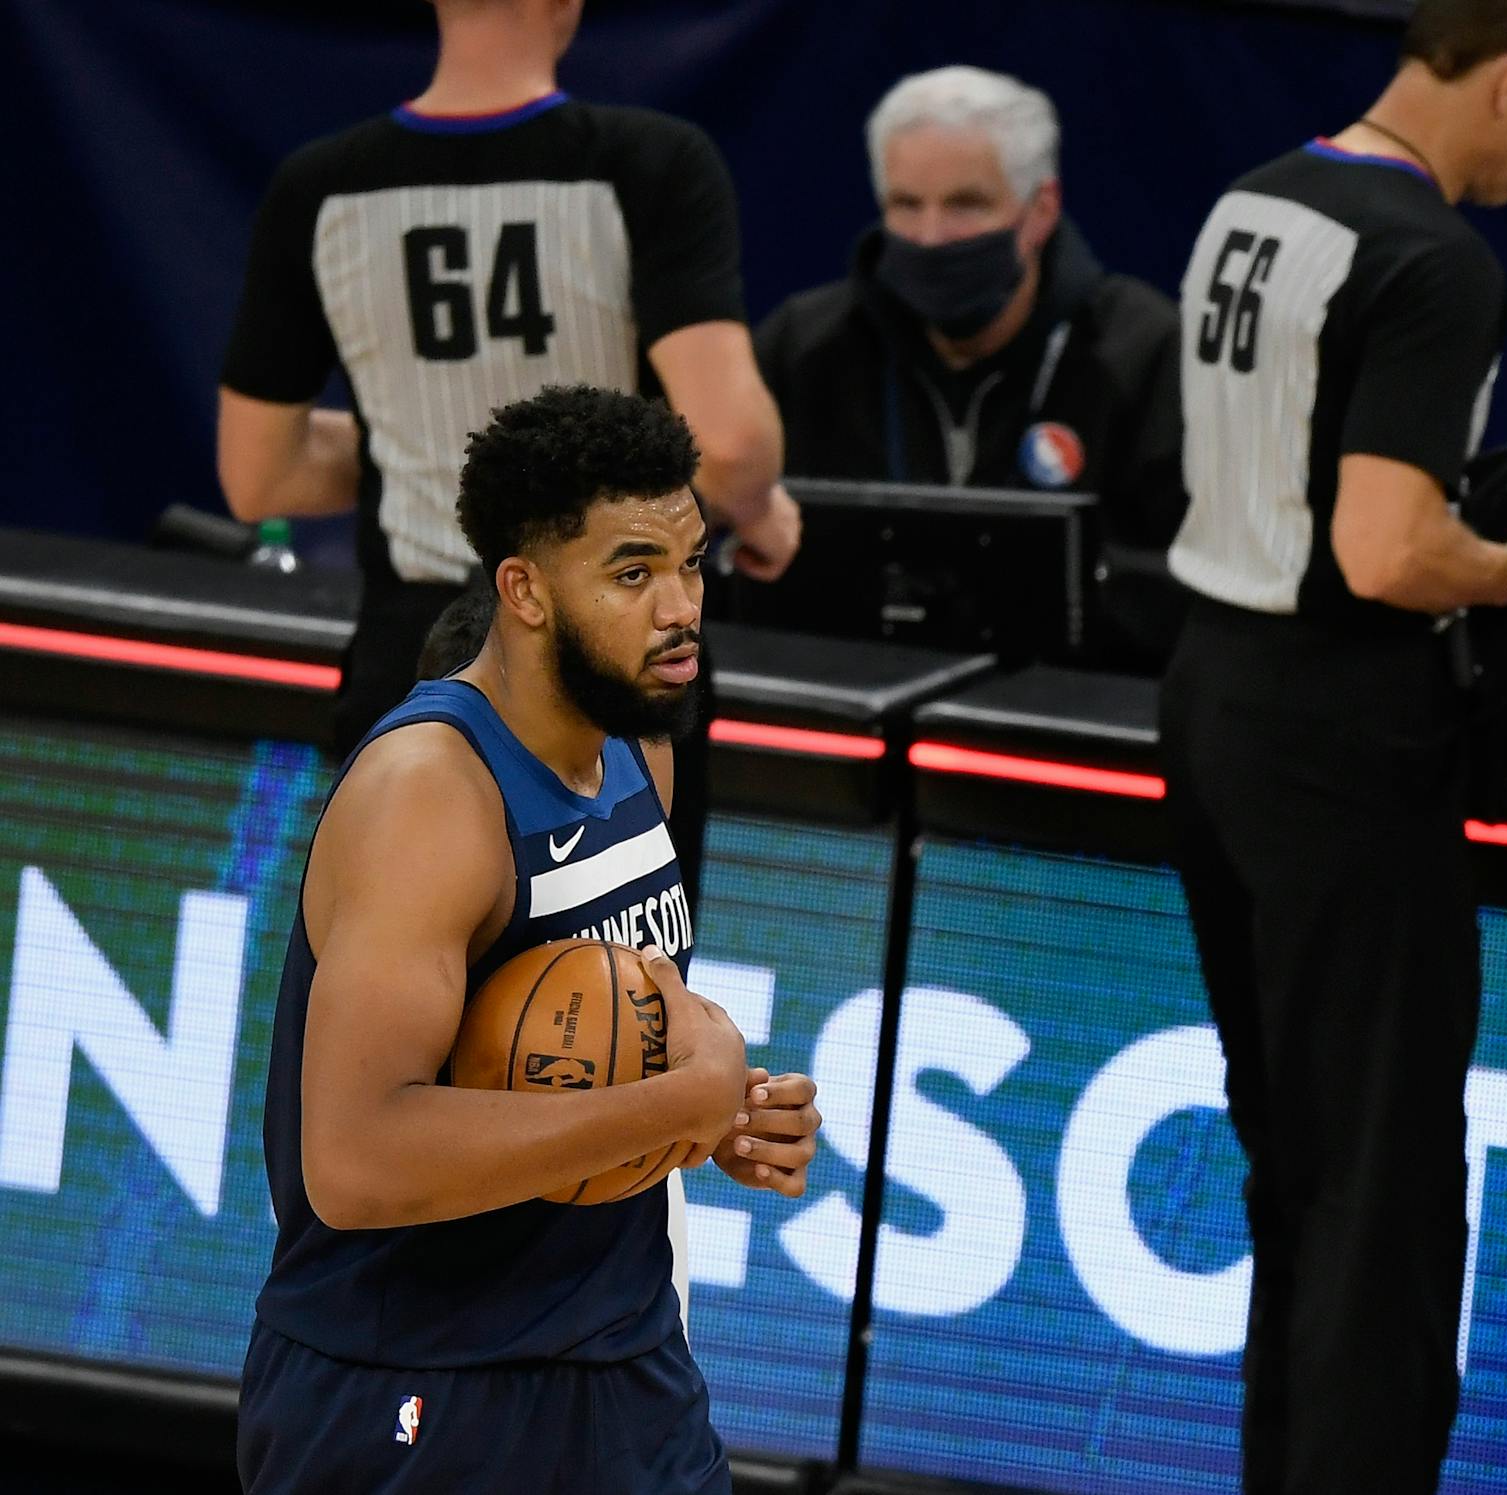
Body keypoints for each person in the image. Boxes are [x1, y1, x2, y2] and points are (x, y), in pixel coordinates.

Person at [1158, 2, 1507, 1490]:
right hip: (1337, 742)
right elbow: (1381, 548)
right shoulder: (1435, 257)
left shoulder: (1259, 197)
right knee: (1383, 1188)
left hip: (1210, 699)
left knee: (1293, 1165)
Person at [238, 385, 822, 1494]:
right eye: (633, 571)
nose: (680, 606)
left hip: (623, 1363)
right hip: (414, 1384)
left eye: (693, 564)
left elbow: (592, 1048)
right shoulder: (429, 795)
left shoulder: (637, 753)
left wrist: (721, 1121)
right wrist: (669, 1107)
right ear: (525, 589)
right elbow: (355, 1161)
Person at [216, 0, 798, 762]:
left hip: (415, 658)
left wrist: (430, 456)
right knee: (612, 885)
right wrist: (758, 506)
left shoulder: (320, 189)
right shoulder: (648, 163)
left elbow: (262, 476)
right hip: (604, 654)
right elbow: (728, 451)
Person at [753, 65, 1185, 663]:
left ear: (1040, 211)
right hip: (849, 696)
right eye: (906, 205)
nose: (930, 238)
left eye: (965, 205)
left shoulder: (1142, 353)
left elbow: (1188, 582)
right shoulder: (807, 347)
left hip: (1056, 711)